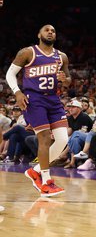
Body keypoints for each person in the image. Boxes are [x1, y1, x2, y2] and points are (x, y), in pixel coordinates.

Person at [5, 24, 72, 196]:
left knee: (63, 139)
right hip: (34, 99)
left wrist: (65, 80)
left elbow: (68, 81)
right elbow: (10, 74)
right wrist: (17, 92)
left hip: (54, 99)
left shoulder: (61, 57)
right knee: (44, 138)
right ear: (39, 34)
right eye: (46, 30)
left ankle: (35, 171)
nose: (50, 32)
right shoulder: (28, 52)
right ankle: (46, 181)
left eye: (53, 31)